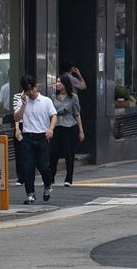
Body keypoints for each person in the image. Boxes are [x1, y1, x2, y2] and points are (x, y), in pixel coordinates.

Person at [11, 76, 55, 205]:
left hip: (42, 137)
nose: (30, 93)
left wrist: (51, 129)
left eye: (31, 89)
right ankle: (30, 194)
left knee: (44, 166)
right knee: (28, 167)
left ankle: (48, 185)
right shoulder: (22, 102)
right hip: (27, 137)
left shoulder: (46, 101)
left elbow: (54, 116)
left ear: (36, 87)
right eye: (27, 90)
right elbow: (16, 117)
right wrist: (24, 105)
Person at [50, 74, 84, 188]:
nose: (57, 84)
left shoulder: (73, 97)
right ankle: (51, 177)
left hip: (69, 126)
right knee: (53, 152)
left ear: (65, 84)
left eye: (59, 82)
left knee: (69, 153)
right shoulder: (53, 97)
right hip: (56, 126)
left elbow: (77, 114)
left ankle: (69, 178)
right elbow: (50, 113)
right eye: (56, 82)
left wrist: (81, 131)